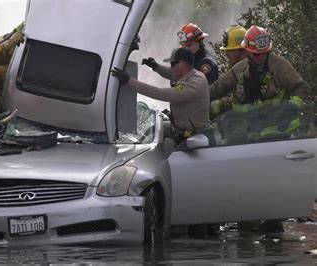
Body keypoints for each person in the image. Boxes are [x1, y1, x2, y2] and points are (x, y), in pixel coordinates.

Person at [210, 26, 312, 233]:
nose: (259, 58)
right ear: (247, 51)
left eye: (263, 54)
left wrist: (291, 106)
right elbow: (217, 88)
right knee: (247, 179)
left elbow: (301, 87)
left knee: (272, 181)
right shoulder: (239, 70)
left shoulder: (280, 66)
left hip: (278, 133)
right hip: (251, 134)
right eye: (255, 54)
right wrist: (195, 98)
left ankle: (273, 220)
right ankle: (247, 221)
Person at [112, 47, 210, 141]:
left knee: (164, 146)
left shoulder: (193, 85)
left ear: (181, 63)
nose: (171, 67)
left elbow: (158, 93)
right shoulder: (193, 74)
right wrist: (156, 66)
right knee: (149, 133)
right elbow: (172, 74)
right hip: (181, 129)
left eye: (172, 64)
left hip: (194, 137)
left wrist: (129, 80)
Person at [142, 23, 219, 86]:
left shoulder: (206, 63)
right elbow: (175, 74)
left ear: (199, 41)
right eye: (184, 47)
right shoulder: (191, 59)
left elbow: (202, 91)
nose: (186, 49)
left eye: (189, 45)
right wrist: (156, 66)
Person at [210, 25, 248, 119]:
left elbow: (240, 101)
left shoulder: (249, 70)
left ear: (242, 49)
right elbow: (218, 87)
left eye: (230, 50)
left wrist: (213, 107)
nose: (226, 54)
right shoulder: (235, 65)